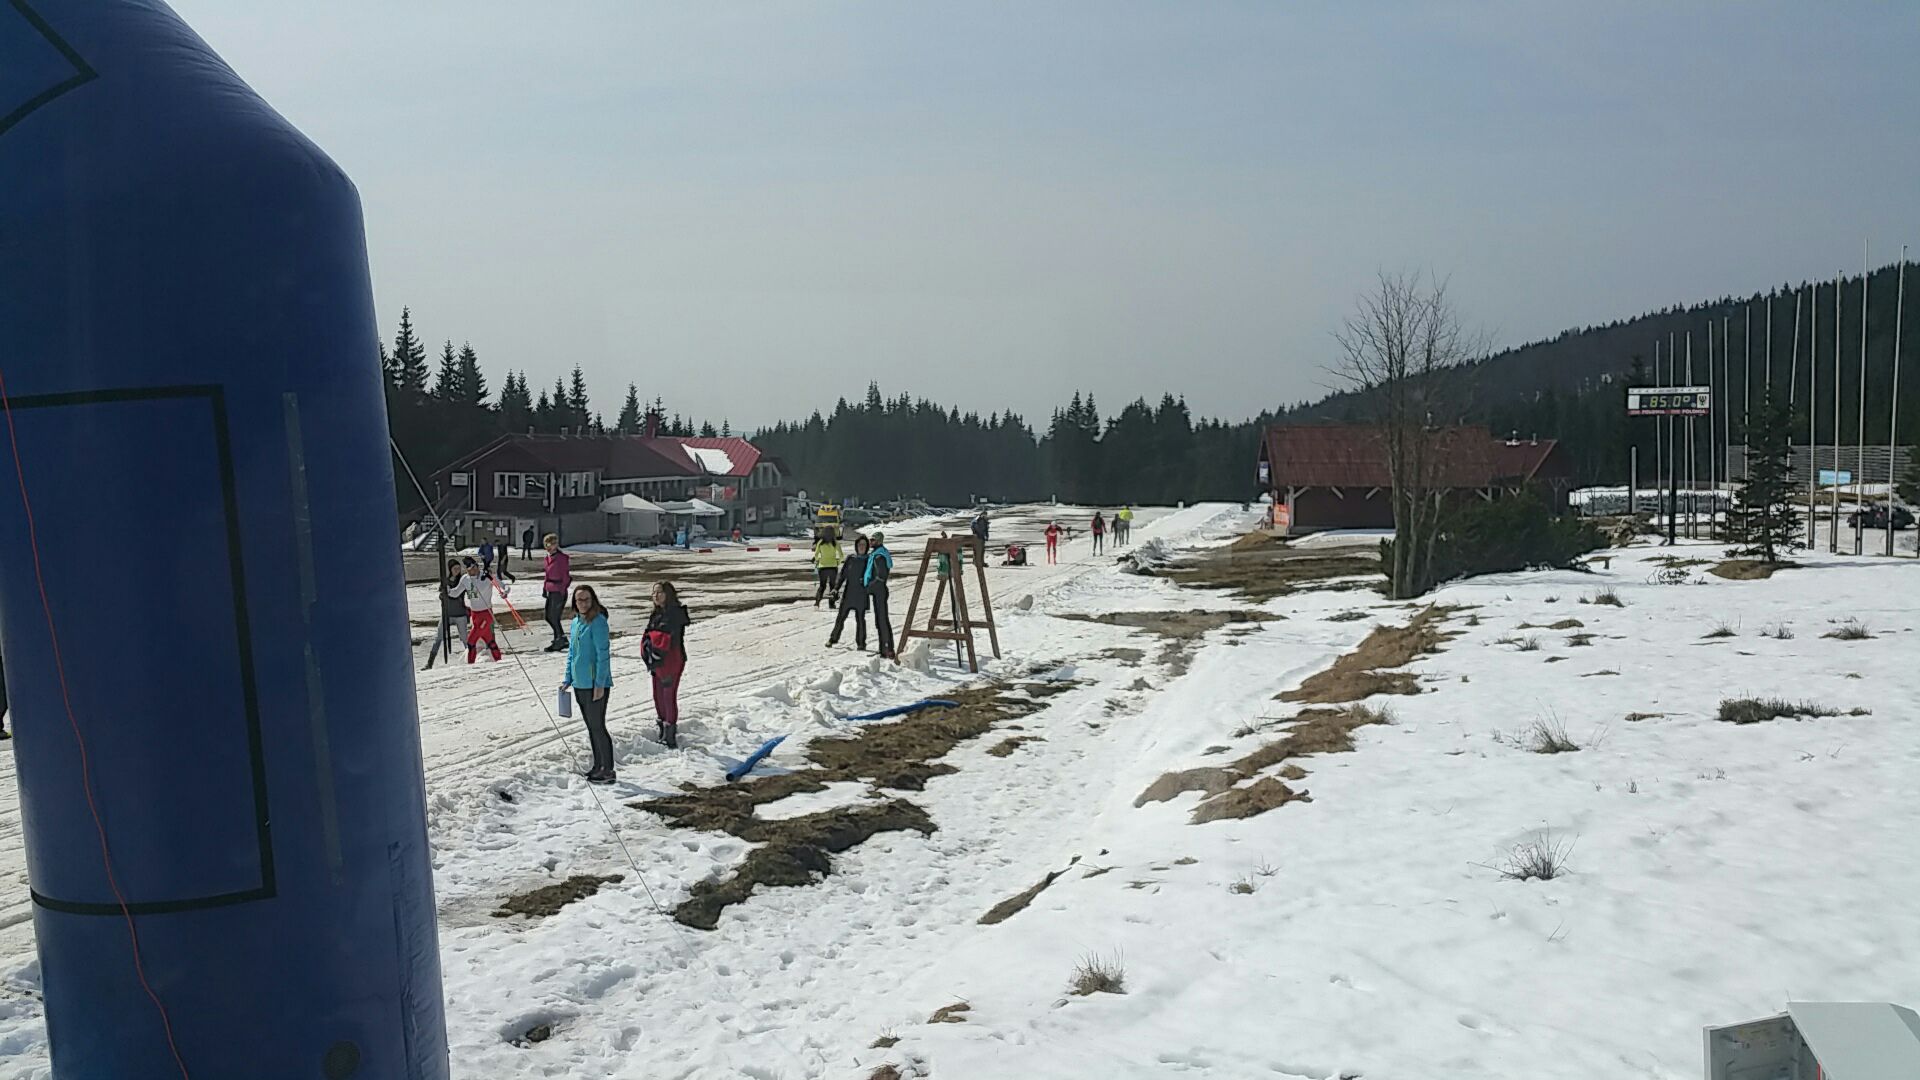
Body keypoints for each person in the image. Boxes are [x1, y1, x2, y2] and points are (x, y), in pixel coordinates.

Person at [561, 584, 616, 783]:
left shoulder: (598, 622)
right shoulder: (576, 622)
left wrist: (600, 683)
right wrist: (568, 678)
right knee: (591, 726)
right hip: (580, 683)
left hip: (595, 684)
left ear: (592, 600)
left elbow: (603, 655)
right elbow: (572, 653)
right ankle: (598, 765)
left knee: (598, 726)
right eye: (579, 600)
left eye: (586, 599)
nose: (583, 603)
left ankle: (608, 769)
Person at [643, 581, 691, 749]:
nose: (656, 596)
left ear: (668, 594)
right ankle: (662, 729)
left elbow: (667, 637)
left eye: (660, 592)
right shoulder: (655, 614)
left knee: (668, 695)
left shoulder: (675, 614)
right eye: (654, 593)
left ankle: (670, 734)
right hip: (657, 660)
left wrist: (653, 638)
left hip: (672, 659)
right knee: (657, 695)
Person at [449, 557, 505, 663]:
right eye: (468, 570)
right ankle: (498, 660)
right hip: (474, 615)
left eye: (473, 568)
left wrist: (504, 592)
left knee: (471, 641)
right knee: (489, 640)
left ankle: (471, 664)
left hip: (486, 615)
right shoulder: (465, 579)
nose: (471, 572)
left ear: (477, 567)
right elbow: (456, 592)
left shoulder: (486, 577)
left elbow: (503, 586)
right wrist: (447, 591)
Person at [828, 536, 871, 650]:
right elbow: (842, 575)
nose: (861, 547)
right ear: (856, 546)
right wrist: (836, 588)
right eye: (859, 545)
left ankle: (861, 643)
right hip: (849, 593)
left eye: (864, 545)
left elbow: (873, 576)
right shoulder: (851, 559)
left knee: (860, 619)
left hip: (861, 594)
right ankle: (833, 639)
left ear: (867, 547)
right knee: (841, 617)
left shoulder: (869, 560)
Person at [865, 531, 896, 660]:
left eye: (873, 540)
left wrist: (868, 587)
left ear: (878, 541)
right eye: (870, 540)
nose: (870, 542)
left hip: (879, 591)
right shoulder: (878, 553)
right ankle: (883, 649)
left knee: (882, 621)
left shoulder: (879, 557)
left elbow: (880, 577)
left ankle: (887, 649)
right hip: (879, 591)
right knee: (880, 620)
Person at [541, 533, 571, 653]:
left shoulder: (561, 558)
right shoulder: (547, 558)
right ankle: (560, 639)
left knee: (554, 617)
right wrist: (544, 589)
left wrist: (562, 589)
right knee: (549, 617)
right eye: (548, 544)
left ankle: (559, 640)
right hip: (550, 590)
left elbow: (566, 576)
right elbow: (547, 575)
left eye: (553, 544)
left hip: (558, 590)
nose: (550, 546)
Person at [441, 558, 471, 649]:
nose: (457, 570)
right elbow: (441, 594)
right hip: (448, 613)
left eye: (459, 568)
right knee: (439, 636)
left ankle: (469, 653)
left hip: (460, 612)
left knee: (464, 637)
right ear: (450, 569)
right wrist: (442, 596)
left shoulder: (462, 580)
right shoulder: (446, 581)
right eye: (455, 568)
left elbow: (466, 592)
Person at [812, 529, 842, 607]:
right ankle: (831, 604)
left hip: (822, 567)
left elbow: (816, 555)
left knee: (822, 586)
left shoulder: (820, 542)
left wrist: (818, 560)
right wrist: (838, 562)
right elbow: (841, 555)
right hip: (833, 567)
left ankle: (817, 602)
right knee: (832, 585)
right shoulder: (835, 542)